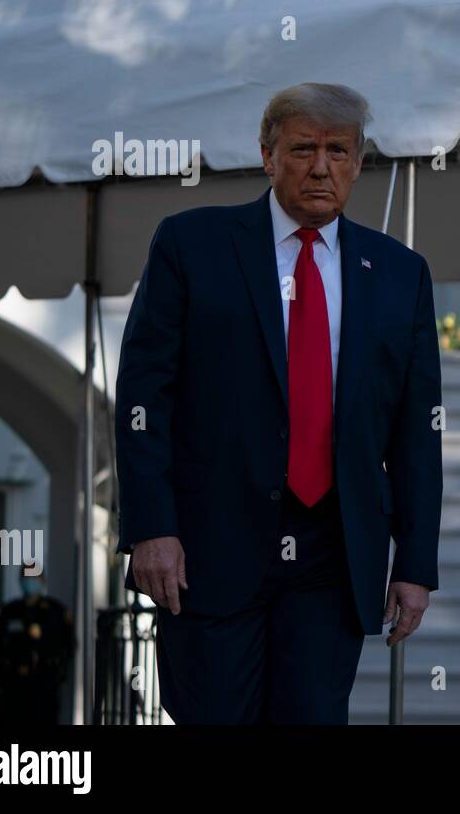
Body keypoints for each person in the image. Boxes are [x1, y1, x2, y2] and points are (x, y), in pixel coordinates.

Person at [115, 82, 443, 724]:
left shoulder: (402, 273)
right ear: (267, 156)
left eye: (339, 151)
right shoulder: (191, 245)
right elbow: (143, 399)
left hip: (335, 550)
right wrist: (151, 527)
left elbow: (416, 431)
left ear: (357, 161)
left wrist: (416, 563)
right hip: (209, 549)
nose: (322, 167)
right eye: (303, 148)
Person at [0, 573, 74, 724]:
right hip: (14, 684)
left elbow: (67, 645)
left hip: (45, 682)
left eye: (34, 577)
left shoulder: (55, 611)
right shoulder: (10, 611)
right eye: (26, 577)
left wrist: (60, 675)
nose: (30, 581)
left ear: (43, 581)